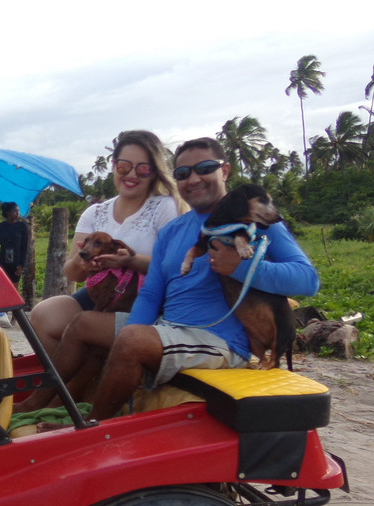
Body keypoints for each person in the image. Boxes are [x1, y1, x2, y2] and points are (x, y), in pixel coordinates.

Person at [21, 136, 319, 422]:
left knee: (134, 339)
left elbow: (307, 281)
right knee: (85, 324)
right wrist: (130, 332)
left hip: (218, 340)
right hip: (169, 328)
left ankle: (92, 426)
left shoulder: (253, 221)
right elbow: (151, 294)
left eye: (205, 169)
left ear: (224, 170)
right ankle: (34, 403)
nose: (193, 179)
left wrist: (239, 267)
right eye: (183, 173)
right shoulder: (173, 230)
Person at [30, 130, 185, 356]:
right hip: (102, 295)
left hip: (143, 299)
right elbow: (73, 273)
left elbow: (175, 266)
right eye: (124, 166)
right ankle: (73, 385)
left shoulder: (165, 208)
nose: (132, 174)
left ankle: (77, 382)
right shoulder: (95, 213)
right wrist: (83, 265)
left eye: (143, 168)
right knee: (44, 314)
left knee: (86, 323)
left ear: (154, 172)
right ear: (114, 165)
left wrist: (130, 261)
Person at [0, 201, 29, 288]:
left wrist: (21, 265)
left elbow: (24, 247)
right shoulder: (0, 227)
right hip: (3, 263)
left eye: (18, 211)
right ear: (8, 213)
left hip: (16, 264)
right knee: (3, 287)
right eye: (15, 211)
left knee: (14, 289)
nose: (18, 213)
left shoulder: (22, 227)